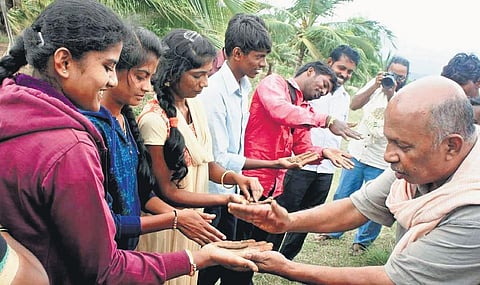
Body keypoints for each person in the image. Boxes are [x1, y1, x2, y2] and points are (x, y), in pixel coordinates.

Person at [0, 1, 270, 284]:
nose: (109, 80)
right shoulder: (70, 146)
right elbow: (104, 268)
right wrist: (198, 257)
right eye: (107, 67)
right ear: (64, 62)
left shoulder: (17, 113)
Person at [230, 75, 480, 284]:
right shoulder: (417, 166)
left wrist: (287, 268)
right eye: (389, 140)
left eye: (402, 145)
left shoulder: (473, 211)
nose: (388, 155)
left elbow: (394, 280)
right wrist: (287, 222)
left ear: (451, 146)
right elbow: (358, 207)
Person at [135, 29, 265, 285]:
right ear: (172, 75)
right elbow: (167, 191)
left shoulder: (195, 105)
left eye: (207, 74)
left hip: (190, 221)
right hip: (168, 224)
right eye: (198, 75)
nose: (205, 83)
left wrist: (235, 178)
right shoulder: (153, 120)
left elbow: (206, 164)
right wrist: (227, 197)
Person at [82, 25, 225, 251]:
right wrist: (175, 218)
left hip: (128, 247)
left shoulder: (124, 122)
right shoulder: (93, 130)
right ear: (113, 70)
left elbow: (143, 193)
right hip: (108, 251)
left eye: (150, 78)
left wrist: (179, 216)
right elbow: (103, 221)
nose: (148, 87)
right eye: (141, 77)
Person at [198, 13, 317, 285]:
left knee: (233, 264)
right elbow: (217, 158)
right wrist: (274, 164)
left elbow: (238, 144)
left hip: (232, 193)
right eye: (259, 57)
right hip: (212, 194)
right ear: (237, 53)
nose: (263, 65)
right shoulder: (214, 92)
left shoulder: (243, 85)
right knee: (208, 268)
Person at [243, 61, 363, 251]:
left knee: (255, 247)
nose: (322, 92)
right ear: (310, 71)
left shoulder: (303, 107)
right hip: (248, 180)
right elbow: (279, 110)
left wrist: (324, 152)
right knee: (233, 243)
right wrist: (327, 120)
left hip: (272, 190)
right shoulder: (275, 83)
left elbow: (302, 147)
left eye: (327, 91)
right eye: (323, 85)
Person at [316, 56, 409, 255]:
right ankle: (333, 231)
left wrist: (391, 93)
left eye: (401, 77)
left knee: (376, 204)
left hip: (381, 159)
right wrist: (375, 86)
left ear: (406, 78)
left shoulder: (407, 96)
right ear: (386, 71)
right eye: (393, 74)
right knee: (343, 195)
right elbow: (355, 105)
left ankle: (362, 242)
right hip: (358, 151)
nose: (397, 79)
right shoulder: (374, 86)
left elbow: (401, 116)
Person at [277, 45, 361, 260]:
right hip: (300, 163)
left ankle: (286, 259)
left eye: (350, 71)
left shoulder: (344, 98)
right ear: (329, 62)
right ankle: (267, 253)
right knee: (282, 212)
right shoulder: (311, 89)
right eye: (342, 68)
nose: (344, 74)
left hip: (325, 169)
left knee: (309, 217)